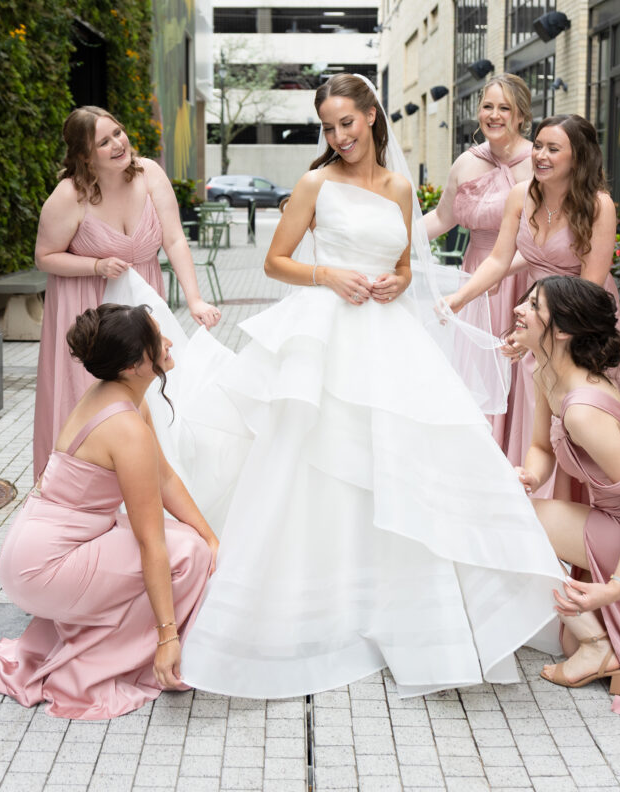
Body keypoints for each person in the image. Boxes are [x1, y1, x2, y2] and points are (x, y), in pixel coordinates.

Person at [174, 72, 563, 700]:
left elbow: (408, 265)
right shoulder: (314, 184)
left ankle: (406, 606)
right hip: (325, 335)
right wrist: (327, 274)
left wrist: (398, 283)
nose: (338, 135)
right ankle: (316, 606)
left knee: (404, 459)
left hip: (387, 337)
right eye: (327, 127)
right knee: (315, 463)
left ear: (372, 117)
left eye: (346, 123)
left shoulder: (400, 187)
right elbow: (277, 260)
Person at [0, 303, 219, 719]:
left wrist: (211, 534)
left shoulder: (118, 396)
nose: (168, 342)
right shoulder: (124, 427)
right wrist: (167, 637)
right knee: (186, 555)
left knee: (193, 542)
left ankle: (104, 636)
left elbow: (163, 479)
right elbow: (150, 542)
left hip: (37, 549)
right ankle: (105, 665)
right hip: (45, 566)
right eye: (156, 339)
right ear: (132, 365)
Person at [512, 276, 620, 716]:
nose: (519, 309)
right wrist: (530, 478)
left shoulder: (584, 411)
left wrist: (615, 587)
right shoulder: (546, 371)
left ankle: (597, 646)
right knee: (564, 634)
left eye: (534, 305)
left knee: (512, 520)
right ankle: (595, 644)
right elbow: (539, 448)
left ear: (564, 330)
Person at [33, 106, 221, 482]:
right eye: (104, 142)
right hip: (87, 305)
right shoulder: (70, 195)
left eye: (118, 133)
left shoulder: (149, 173)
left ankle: (149, 484)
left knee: (149, 390)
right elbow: (44, 257)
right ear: (85, 155)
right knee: (89, 396)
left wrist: (195, 299)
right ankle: (81, 488)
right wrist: (96, 266)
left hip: (142, 299)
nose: (119, 144)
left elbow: (174, 239)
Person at [443, 114, 620, 469]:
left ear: (579, 157)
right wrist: (458, 299)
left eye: (553, 149)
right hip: (537, 314)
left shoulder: (599, 206)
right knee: (533, 416)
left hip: (580, 323)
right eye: (538, 146)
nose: (540, 155)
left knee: (577, 416)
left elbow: (590, 286)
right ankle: (533, 498)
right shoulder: (519, 196)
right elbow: (497, 261)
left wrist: (539, 329)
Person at [423, 74, 532, 452]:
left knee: (520, 373)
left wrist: (505, 270)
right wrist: (392, 239)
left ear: (521, 116)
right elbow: (440, 219)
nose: (495, 115)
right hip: (476, 277)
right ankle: (481, 459)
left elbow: (543, 238)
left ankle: (518, 458)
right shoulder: (466, 162)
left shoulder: (539, 162)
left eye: (505, 108)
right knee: (478, 372)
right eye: (488, 106)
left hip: (523, 276)